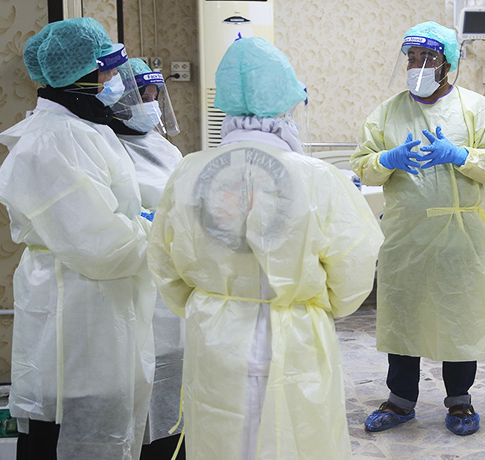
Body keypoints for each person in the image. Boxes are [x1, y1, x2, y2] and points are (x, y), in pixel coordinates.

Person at [146, 36, 383, 460]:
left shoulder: (189, 172)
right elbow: (354, 267)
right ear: (286, 103)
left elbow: (165, 265)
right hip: (296, 335)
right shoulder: (318, 178)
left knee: (222, 436)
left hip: (215, 334)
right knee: (296, 437)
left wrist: (213, 300)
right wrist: (305, 301)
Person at [0, 17, 155, 460]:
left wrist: (142, 222)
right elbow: (101, 245)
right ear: (79, 76)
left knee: (98, 417)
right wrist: (157, 231)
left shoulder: (81, 129)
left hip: (95, 305)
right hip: (77, 306)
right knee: (69, 431)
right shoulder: (53, 141)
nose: (111, 81)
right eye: (104, 71)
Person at [351, 21, 485, 436]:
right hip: (406, 235)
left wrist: (458, 154)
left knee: (460, 316)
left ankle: (460, 401)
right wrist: (387, 159)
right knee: (403, 317)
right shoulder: (388, 112)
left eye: (428, 58)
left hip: (460, 235)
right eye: (412, 57)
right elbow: (362, 166)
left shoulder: (477, 109)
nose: (418, 65)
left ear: (448, 63)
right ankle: (400, 401)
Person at [110, 57, 186, 459]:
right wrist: (142, 221)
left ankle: (172, 443)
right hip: (132, 274)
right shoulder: (106, 145)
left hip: (171, 273)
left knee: (174, 366)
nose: (152, 104)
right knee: (140, 369)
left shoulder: (164, 146)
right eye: (144, 96)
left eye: (156, 95)